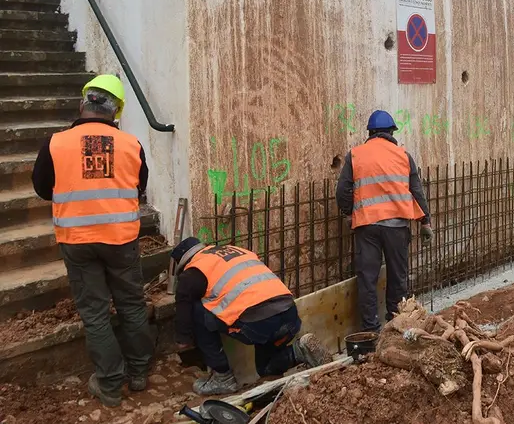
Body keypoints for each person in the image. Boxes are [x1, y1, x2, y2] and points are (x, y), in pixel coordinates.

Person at [31, 74, 153, 408]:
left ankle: (110, 385)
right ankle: (140, 373)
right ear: (117, 111)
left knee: (96, 313)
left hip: (77, 240)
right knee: (131, 305)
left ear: (82, 104)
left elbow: (42, 188)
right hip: (121, 240)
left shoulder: (56, 144)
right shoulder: (132, 144)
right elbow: (139, 186)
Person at [170, 237, 330, 396]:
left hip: (256, 323)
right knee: (265, 368)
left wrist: (183, 340)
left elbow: (184, 308)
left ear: (184, 262)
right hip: (289, 314)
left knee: (197, 309)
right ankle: (300, 350)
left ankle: (223, 378)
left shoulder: (193, 271)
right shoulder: (237, 251)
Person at [335, 110, 434, 333]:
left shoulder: (356, 155)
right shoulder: (403, 156)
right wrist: (425, 222)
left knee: (367, 279)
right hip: (397, 227)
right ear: (391, 132)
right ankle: (396, 324)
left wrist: (349, 212)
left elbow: (342, 190)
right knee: (398, 276)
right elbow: (417, 191)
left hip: (367, 226)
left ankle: (371, 330)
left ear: (370, 132)